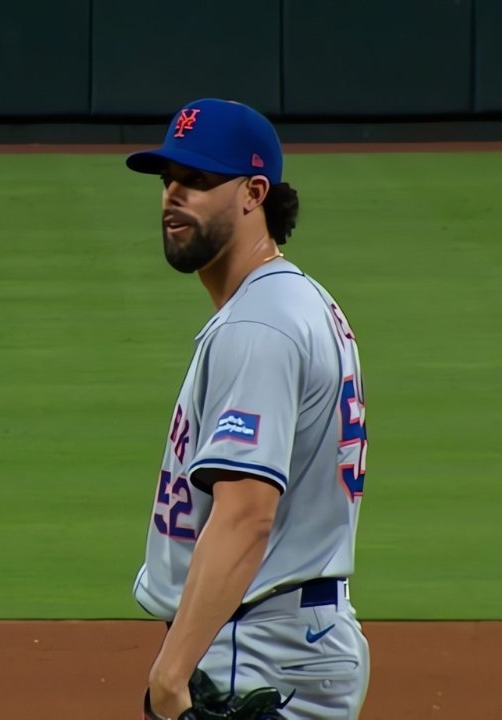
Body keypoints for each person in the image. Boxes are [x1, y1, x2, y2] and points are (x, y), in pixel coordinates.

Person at [126, 98, 371, 719]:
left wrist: (171, 676)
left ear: (253, 193)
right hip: (284, 634)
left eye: (199, 180)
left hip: (256, 650)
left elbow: (245, 516)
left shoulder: (261, 324)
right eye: (168, 179)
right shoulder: (293, 301)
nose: (173, 195)